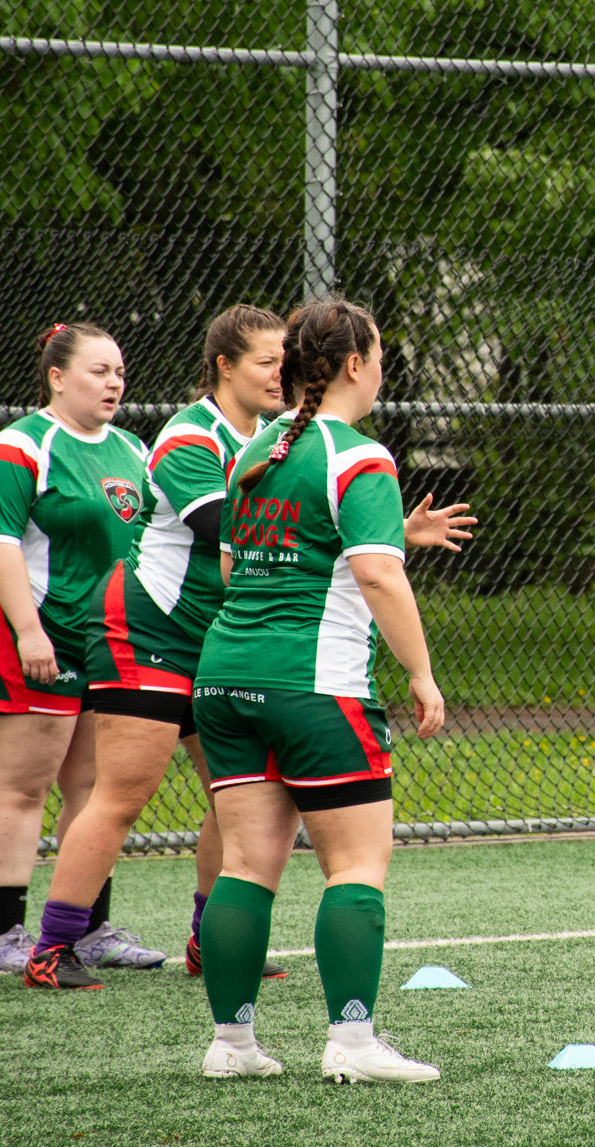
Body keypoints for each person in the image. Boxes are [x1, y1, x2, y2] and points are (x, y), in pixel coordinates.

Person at [190, 300, 468, 1081]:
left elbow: (231, 566)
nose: (380, 368)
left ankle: (233, 1045)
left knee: (245, 864)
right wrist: (421, 671)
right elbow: (378, 574)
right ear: (353, 365)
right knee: (355, 867)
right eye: (377, 355)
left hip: (225, 675)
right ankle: (352, 1042)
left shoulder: (256, 448)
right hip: (315, 687)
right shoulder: (360, 456)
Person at [22, 305, 288, 990]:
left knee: (242, 795)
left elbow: (308, 513)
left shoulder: (281, 435)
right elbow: (225, 525)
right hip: (148, 627)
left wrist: (386, 529)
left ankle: (212, 940)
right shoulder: (188, 436)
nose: (280, 372)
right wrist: (333, 530)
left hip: (218, 634)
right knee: (124, 791)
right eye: (266, 359)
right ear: (225, 364)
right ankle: (53, 947)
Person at [0, 323, 150, 972]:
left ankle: (88, 927)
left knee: (93, 784)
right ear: (56, 376)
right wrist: (28, 631)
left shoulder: (132, 446)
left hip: (105, 636)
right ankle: (9, 934)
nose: (113, 382)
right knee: (25, 784)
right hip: (37, 625)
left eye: (119, 372)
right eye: (99, 370)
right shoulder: (19, 446)